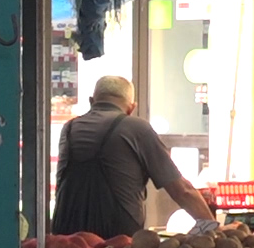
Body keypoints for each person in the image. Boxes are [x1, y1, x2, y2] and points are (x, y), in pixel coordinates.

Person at [50, 76, 217, 238]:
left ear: (92, 102)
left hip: (67, 240)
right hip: (117, 242)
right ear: (131, 108)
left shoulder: (70, 128)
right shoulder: (137, 128)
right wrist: (212, 228)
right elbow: (182, 190)